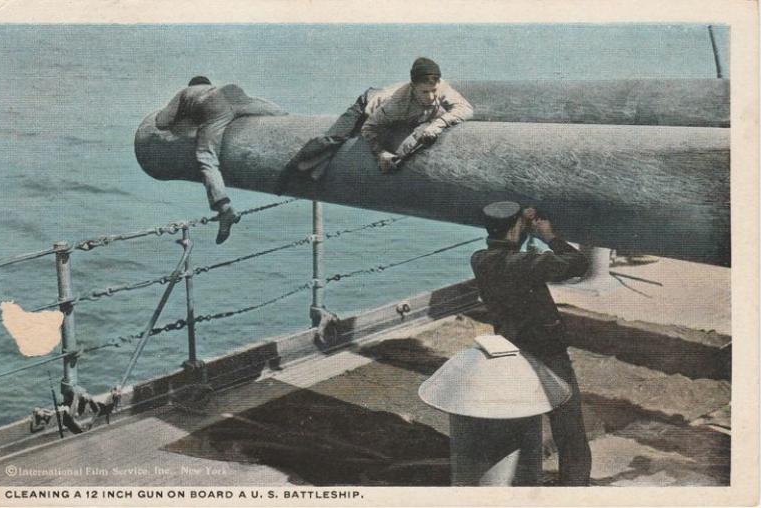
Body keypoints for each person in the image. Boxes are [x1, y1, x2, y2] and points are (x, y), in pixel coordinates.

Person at [470, 201, 592, 486]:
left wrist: (519, 230)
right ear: (515, 230)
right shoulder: (528, 264)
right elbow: (578, 264)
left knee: (522, 420)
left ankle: (523, 481)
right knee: (568, 425)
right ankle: (575, 488)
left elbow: (507, 253)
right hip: (547, 353)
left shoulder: (479, 259)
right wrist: (549, 236)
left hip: (511, 351)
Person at [277, 57, 472, 193]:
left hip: (394, 105)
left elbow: (465, 108)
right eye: (424, 92)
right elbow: (369, 128)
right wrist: (380, 154)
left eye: (433, 91)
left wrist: (437, 124)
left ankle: (310, 172)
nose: (431, 97)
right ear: (413, 88)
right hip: (368, 105)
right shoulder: (397, 104)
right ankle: (288, 172)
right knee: (335, 139)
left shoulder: (441, 87)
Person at [156, 76, 287, 244]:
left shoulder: (186, 92)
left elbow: (161, 122)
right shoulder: (214, 88)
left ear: (192, 86)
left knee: (206, 158)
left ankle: (224, 208)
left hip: (213, 107)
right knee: (269, 109)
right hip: (233, 93)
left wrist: (184, 116)